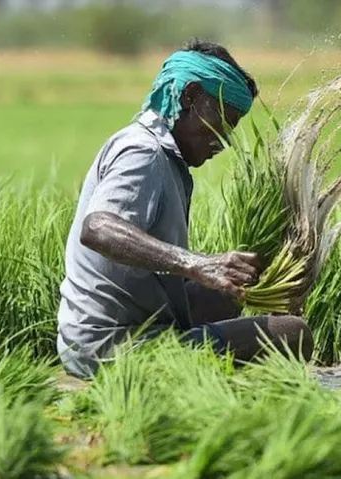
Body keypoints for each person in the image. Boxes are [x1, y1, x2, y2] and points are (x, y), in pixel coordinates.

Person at [56, 40, 314, 379]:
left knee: (227, 297)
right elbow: (97, 229)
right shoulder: (144, 152)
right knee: (293, 333)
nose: (224, 141)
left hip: (101, 337)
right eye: (224, 121)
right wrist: (196, 264)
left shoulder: (163, 156)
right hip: (111, 347)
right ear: (190, 96)